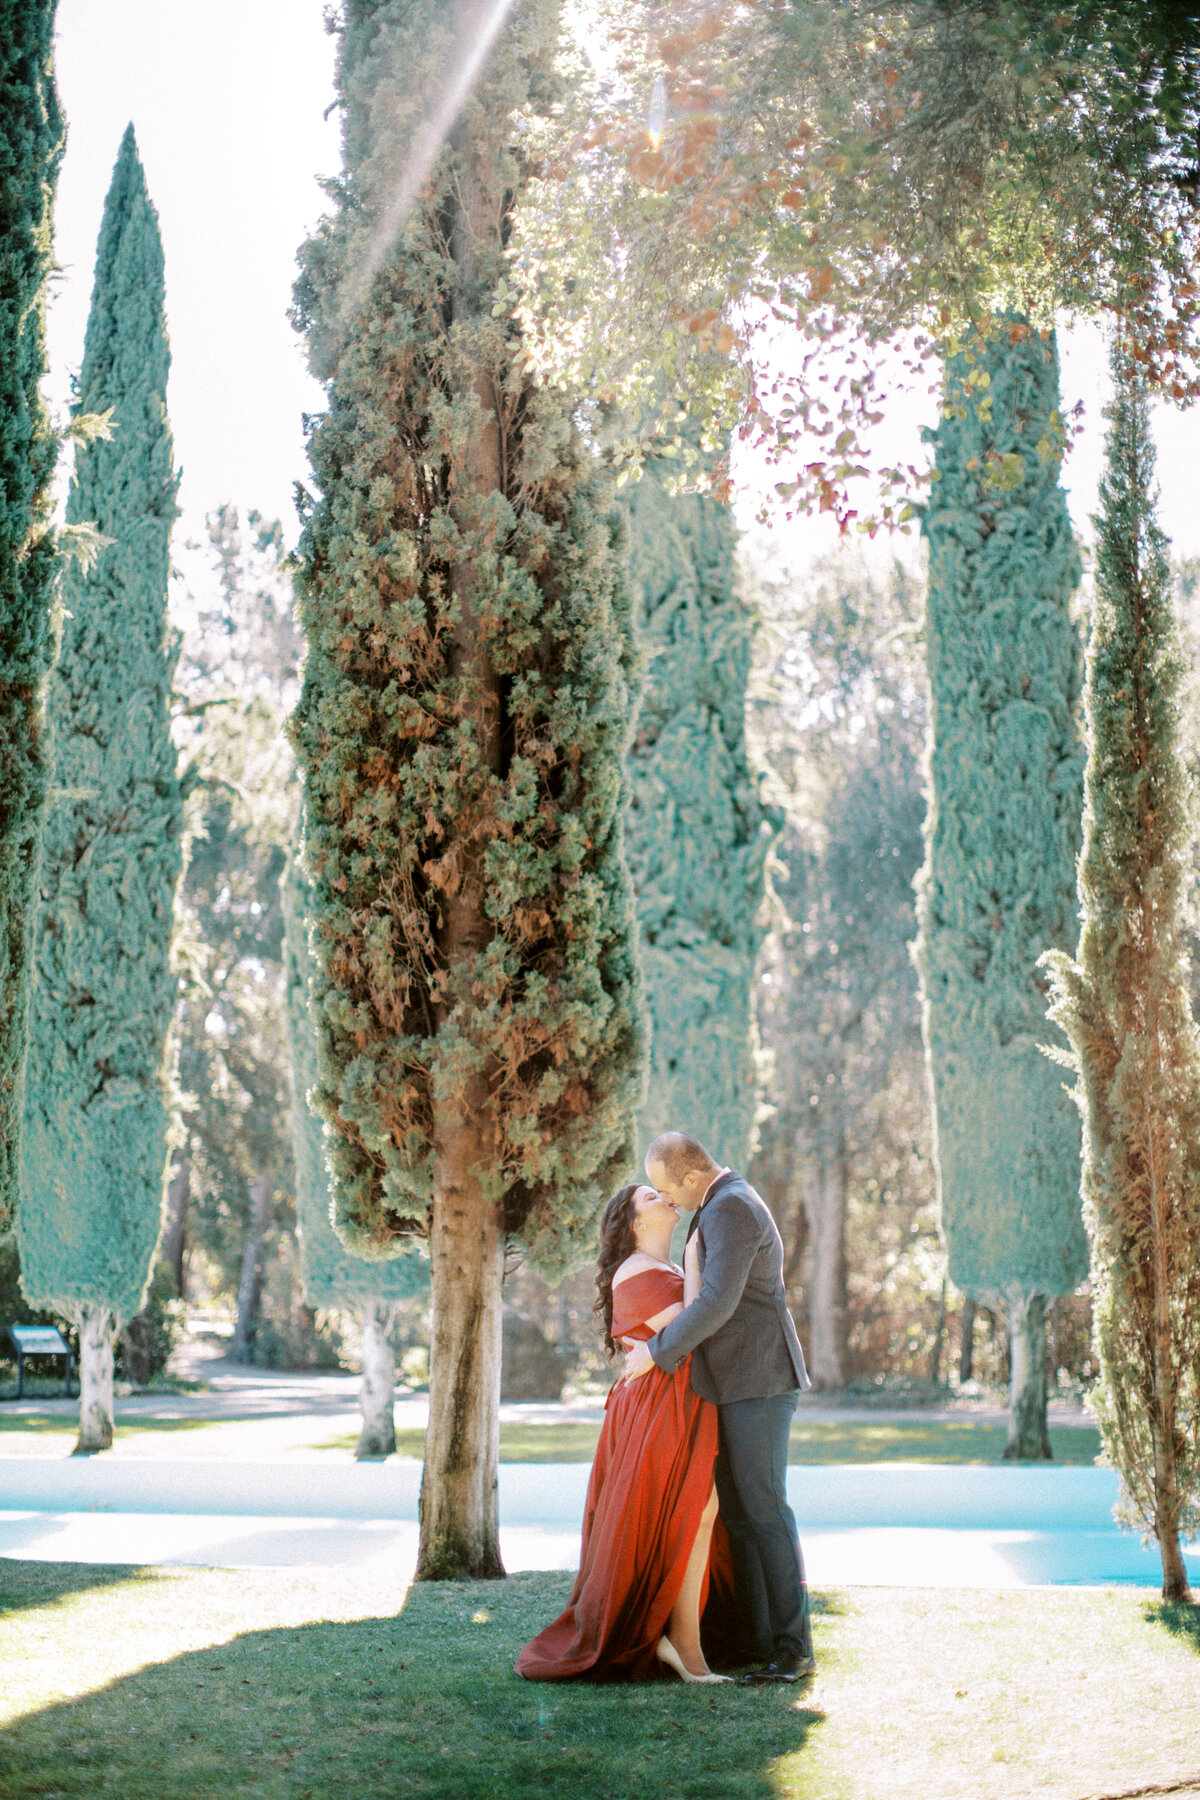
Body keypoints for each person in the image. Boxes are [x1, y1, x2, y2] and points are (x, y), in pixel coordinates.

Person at [515, 1180, 735, 1684]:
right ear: (635, 1224)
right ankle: (680, 1645)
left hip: (678, 1398)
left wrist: (691, 1260)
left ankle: (682, 1641)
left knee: (698, 1512)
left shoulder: (667, 1268)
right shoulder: (635, 1272)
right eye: (650, 1197)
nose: (664, 1197)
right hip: (657, 1406)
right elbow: (695, 1326)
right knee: (692, 1511)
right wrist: (697, 1257)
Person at [621, 1131, 816, 1684]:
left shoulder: (732, 1207)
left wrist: (655, 1354)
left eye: (667, 1189)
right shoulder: (718, 1205)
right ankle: (756, 1642)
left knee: (766, 1513)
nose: (670, 1202)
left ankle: (794, 1650)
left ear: (689, 1175)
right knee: (740, 1516)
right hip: (733, 1384)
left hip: (760, 1382)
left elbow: (717, 1303)